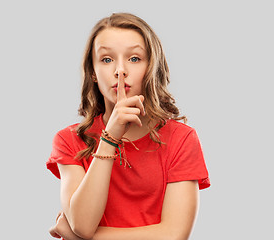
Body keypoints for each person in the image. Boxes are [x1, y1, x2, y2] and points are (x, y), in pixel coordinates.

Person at [46, 12, 210, 240]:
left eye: (134, 59)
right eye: (106, 59)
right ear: (93, 72)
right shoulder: (69, 140)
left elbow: (174, 235)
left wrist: (82, 239)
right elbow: (82, 224)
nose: (120, 70)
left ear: (150, 67)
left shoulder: (181, 139)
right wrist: (109, 138)